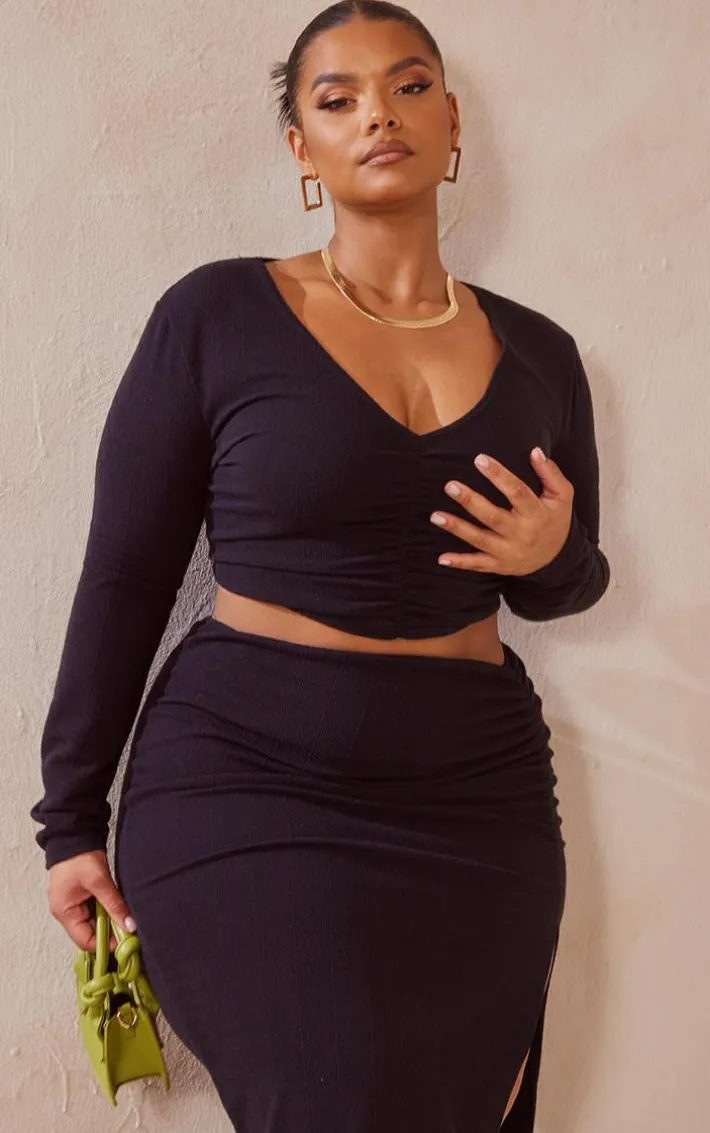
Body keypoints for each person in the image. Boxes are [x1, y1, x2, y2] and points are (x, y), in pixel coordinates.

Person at [30, 3, 611, 1130]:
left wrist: (556, 554)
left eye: (408, 85)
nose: (377, 115)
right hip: (249, 778)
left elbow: (567, 584)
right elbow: (124, 579)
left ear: (452, 123)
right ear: (302, 148)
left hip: (473, 793)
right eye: (337, 99)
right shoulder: (216, 315)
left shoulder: (542, 353)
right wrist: (70, 821)